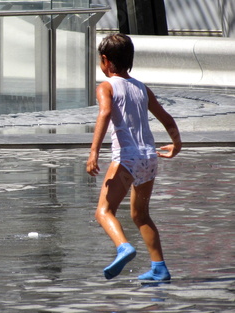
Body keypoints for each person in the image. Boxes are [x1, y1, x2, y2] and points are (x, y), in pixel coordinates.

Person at [86, 33, 182, 281]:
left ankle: (123, 246)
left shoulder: (106, 87)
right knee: (140, 214)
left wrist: (93, 152)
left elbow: (105, 113)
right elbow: (166, 119)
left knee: (103, 211)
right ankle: (159, 267)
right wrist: (176, 143)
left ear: (105, 60)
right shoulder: (141, 88)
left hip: (126, 158)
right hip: (149, 158)